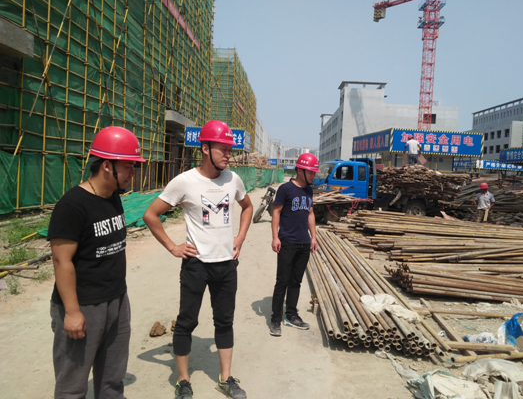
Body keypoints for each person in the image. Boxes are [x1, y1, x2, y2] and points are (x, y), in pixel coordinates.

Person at [143, 120, 253, 399]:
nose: (228, 154)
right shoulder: (185, 181)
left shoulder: (233, 179)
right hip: (196, 266)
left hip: (226, 264)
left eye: (230, 149)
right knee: (186, 322)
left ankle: (225, 379)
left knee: (224, 321)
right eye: (223, 148)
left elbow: (247, 207)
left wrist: (240, 237)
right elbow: (151, 215)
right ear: (205, 149)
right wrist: (172, 247)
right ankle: (183, 381)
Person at [47, 126, 145, 398]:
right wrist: (72, 312)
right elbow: (61, 261)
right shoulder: (72, 206)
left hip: (116, 300)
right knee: (72, 386)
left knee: (112, 380)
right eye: (128, 166)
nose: (133, 172)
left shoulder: (113, 197)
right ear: (106, 166)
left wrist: (119, 300)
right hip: (84, 305)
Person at [269, 153, 319, 337]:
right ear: (300, 171)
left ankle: (291, 315)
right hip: (287, 242)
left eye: (314, 172)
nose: (313, 175)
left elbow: (310, 213)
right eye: (311, 172)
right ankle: (276, 319)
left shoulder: (309, 191)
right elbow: (276, 212)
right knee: (282, 281)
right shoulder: (285, 189)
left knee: (296, 282)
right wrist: (275, 237)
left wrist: (313, 237)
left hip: (304, 243)